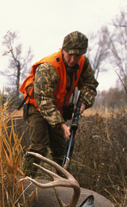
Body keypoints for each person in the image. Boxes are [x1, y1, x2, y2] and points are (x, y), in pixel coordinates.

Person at [19, 31, 99, 176]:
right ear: (63, 50)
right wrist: (63, 126)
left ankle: (63, 185)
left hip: (56, 108)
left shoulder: (83, 63)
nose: (73, 59)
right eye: (70, 54)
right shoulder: (48, 67)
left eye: (78, 55)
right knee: (39, 147)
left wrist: (83, 104)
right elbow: (44, 102)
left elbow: (90, 85)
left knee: (61, 150)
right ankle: (23, 182)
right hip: (37, 106)